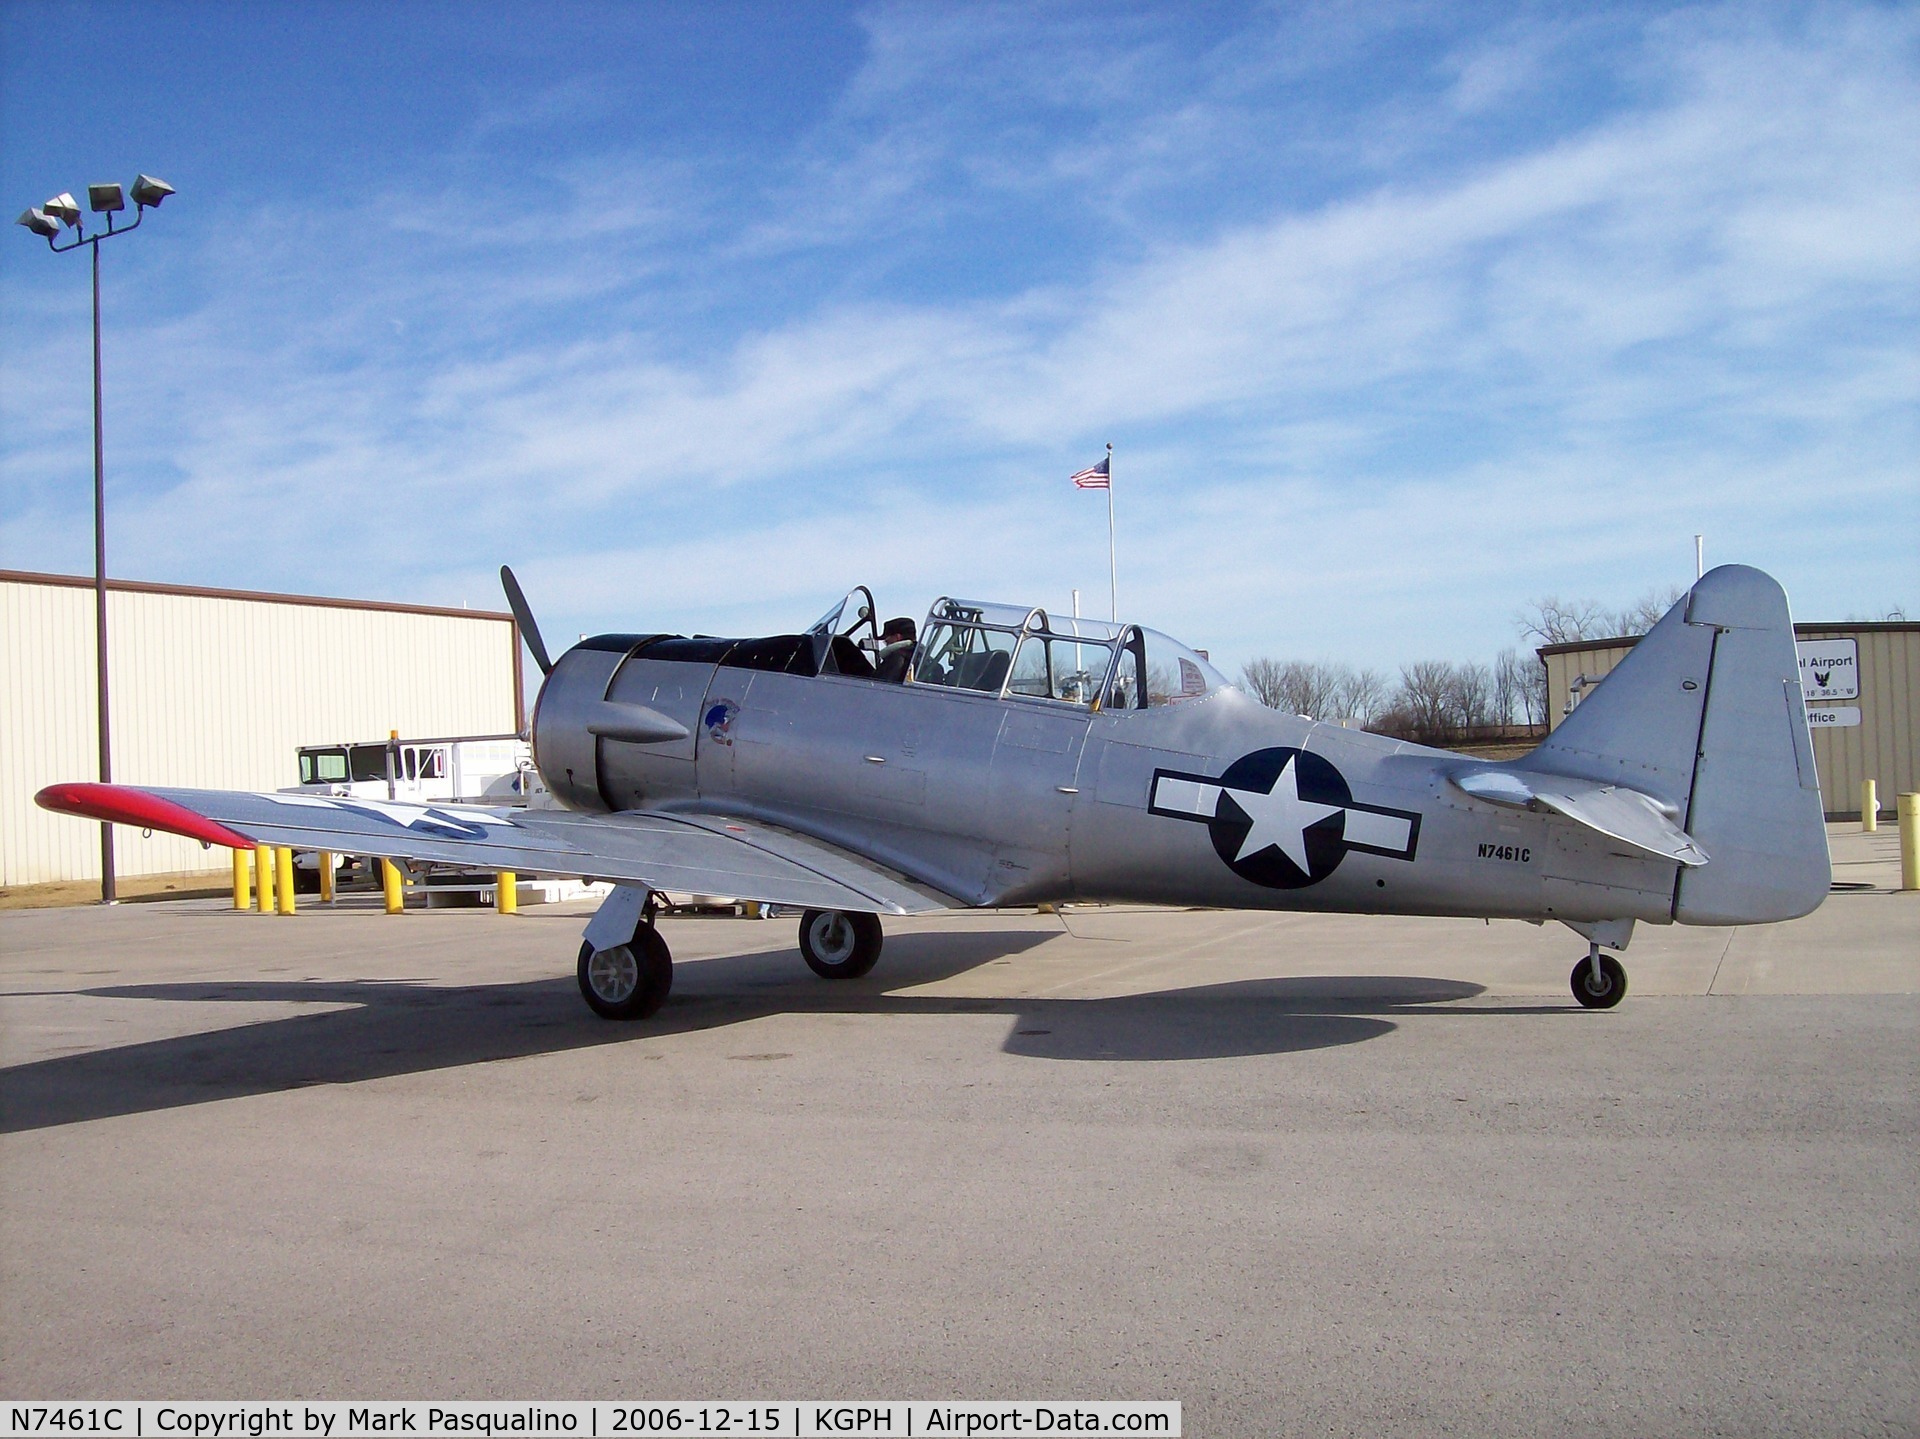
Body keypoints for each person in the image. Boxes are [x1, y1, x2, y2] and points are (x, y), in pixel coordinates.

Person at [874, 616, 917, 683]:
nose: (886, 645)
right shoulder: (928, 661)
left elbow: (879, 687)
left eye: (887, 641)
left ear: (897, 637)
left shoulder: (896, 658)